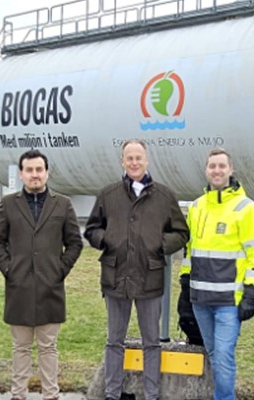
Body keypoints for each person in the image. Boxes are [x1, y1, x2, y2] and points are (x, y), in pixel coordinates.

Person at [84, 139, 190, 400]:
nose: (134, 162)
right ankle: (112, 393)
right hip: (116, 275)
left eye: (138, 158)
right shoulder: (108, 195)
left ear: (147, 160)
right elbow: (92, 229)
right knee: (114, 341)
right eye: (129, 158)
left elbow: (181, 232)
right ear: (122, 161)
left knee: (151, 342)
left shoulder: (164, 196)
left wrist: (159, 245)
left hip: (149, 277)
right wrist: (106, 240)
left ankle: (151, 394)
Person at [0, 149, 84, 400]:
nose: (34, 175)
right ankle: (18, 394)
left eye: (39, 170)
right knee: (20, 347)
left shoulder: (62, 204)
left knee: (48, 347)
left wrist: (60, 270)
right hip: (18, 288)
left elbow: (75, 242)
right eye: (29, 170)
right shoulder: (9, 204)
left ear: (47, 172)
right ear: (21, 174)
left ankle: (50, 394)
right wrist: (9, 269)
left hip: (50, 288)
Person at [181, 148, 254, 400]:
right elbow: (190, 250)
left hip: (229, 302)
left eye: (221, 166)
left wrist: (251, 293)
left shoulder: (247, 208)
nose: (217, 170)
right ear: (207, 170)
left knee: (223, 357)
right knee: (213, 355)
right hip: (200, 301)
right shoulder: (196, 207)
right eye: (212, 166)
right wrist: (186, 285)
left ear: (231, 170)